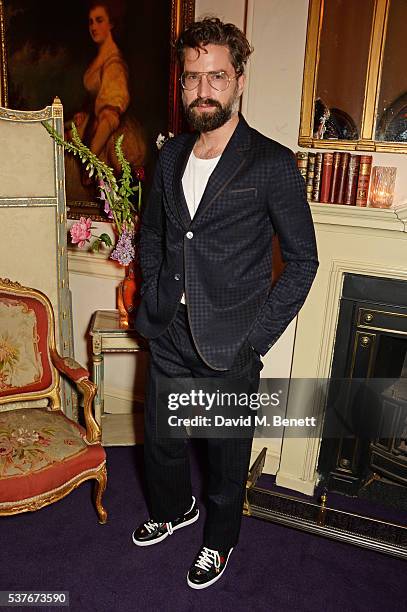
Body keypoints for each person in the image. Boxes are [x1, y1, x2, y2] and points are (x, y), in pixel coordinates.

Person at [132, 17, 319, 589]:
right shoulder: (169, 157)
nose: (202, 90)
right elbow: (157, 236)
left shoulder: (271, 163)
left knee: (224, 455)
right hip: (168, 328)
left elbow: (303, 262)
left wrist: (255, 339)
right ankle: (172, 511)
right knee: (160, 439)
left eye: (216, 76)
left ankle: (219, 539)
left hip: (230, 341)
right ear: (180, 84)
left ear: (239, 79)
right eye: (191, 78)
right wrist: (152, 292)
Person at [65, 1, 146, 200]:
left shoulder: (114, 62)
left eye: (99, 20)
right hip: (92, 122)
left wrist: (90, 159)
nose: (93, 27)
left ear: (111, 23)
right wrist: (84, 113)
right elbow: (96, 97)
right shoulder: (101, 56)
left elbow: (110, 115)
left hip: (106, 134)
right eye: (90, 21)